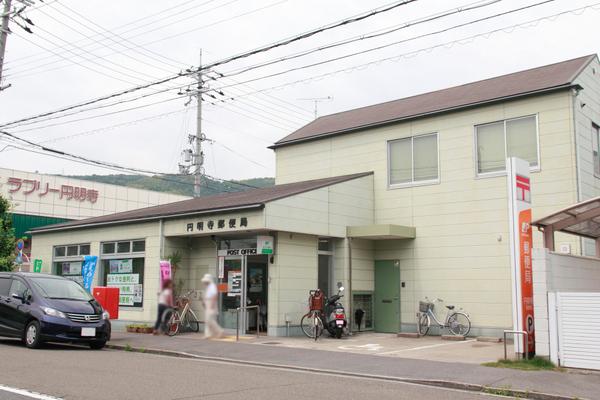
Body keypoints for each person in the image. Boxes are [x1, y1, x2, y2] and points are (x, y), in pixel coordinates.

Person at [201, 273, 224, 339]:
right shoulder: (208, 287)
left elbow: (214, 295)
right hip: (208, 303)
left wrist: (212, 304)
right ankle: (208, 334)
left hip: (211, 304)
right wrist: (204, 302)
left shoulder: (212, 286)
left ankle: (219, 331)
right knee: (207, 320)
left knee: (209, 320)